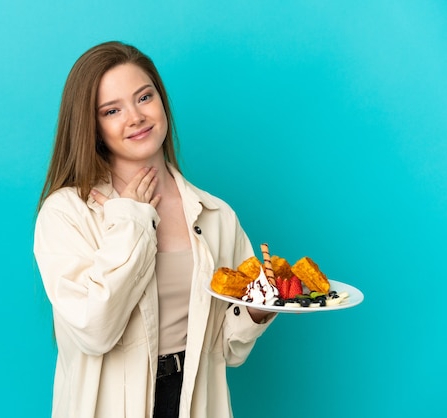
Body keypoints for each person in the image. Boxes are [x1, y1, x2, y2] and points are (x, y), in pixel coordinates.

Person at [33, 41, 276, 418]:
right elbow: (95, 331)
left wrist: (259, 308)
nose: (135, 117)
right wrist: (132, 220)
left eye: (144, 97)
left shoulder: (216, 216)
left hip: (196, 404)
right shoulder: (66, 214)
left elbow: (228, 351)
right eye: (112, 110)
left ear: (161, 102)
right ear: (93, 127)